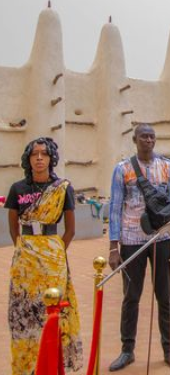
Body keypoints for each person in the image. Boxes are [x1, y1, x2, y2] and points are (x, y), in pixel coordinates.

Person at [108, 124, 170, 371]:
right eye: (144, 136)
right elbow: (115, 207)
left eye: (152, 136)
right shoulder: (122, 169)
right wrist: (113, 246)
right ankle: (127, 350)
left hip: (162, 240)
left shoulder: (167, 167)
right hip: (131, 241)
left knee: (165, 296)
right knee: (131, 297)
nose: (149, 140)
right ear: (135, 139)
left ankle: (169, 349)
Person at [5, 137, 83, 375]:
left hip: (53, 253)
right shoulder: (17, 189)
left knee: (51, 308)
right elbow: (13, 227)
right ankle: (27, 365)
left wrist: (55, 252)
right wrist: (24, 249)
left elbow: (70, 229)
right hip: (26, 254)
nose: (39, 158)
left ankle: (52, 364)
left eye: (44, 154)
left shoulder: (63, 188)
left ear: (51, 158)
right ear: (28, 159)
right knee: (24, 308)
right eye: (34, 154)